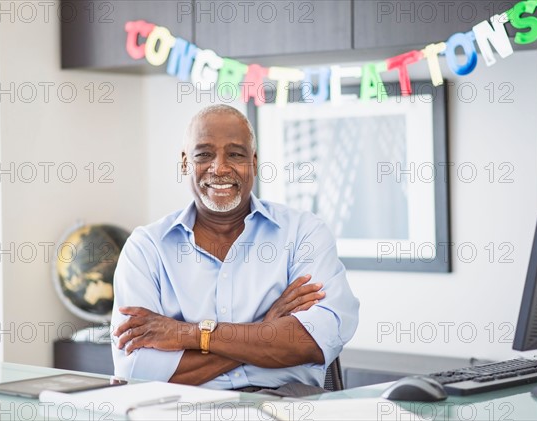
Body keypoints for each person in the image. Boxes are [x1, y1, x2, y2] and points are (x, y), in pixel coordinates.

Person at [111, 104, 359, 393]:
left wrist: (186, 334)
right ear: (184, 163)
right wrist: (266, 327)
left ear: (253, 161)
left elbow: (315, 341)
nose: (220, 168)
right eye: (204, 154)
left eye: (235, 154)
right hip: (181, 410)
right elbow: (137, 370)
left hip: (286, 407)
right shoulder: (146, 248)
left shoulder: (304, 233)